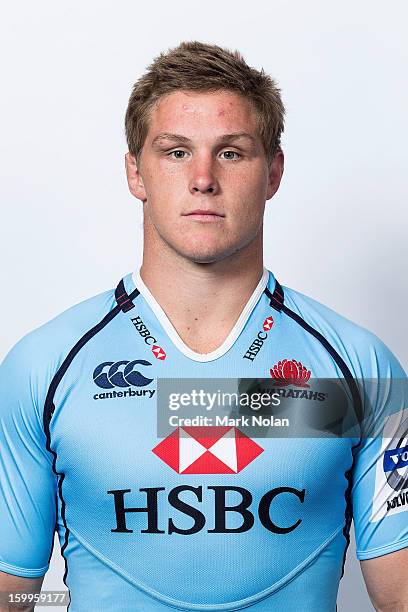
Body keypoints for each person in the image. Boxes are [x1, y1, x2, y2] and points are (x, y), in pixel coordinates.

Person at [0, 41, 407, 612]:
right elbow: (11, 595)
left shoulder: (362, 373)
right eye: (174, 152)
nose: (202, 179)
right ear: (134, 172)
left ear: (274, 173)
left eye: (232, 153)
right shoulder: (42, 368)